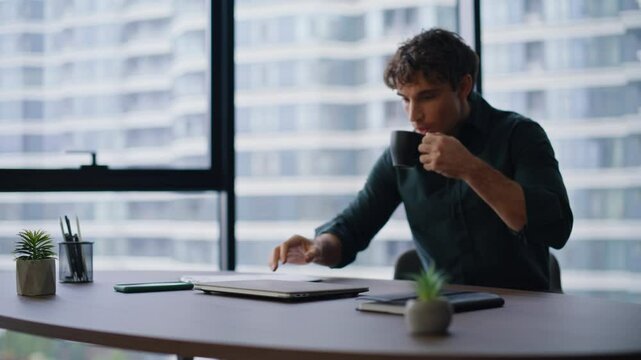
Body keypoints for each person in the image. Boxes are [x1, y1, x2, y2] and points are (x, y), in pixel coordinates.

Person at [268, 28, 573, 291]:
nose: (414, 115)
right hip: (443, 314)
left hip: (524, 310)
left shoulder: (519, 134)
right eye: (405, 99)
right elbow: (352, 228)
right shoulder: (401, 154)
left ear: (464, 87)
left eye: (427, 97)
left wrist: (469, 168)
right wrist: (317, 249)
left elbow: (554, 229)